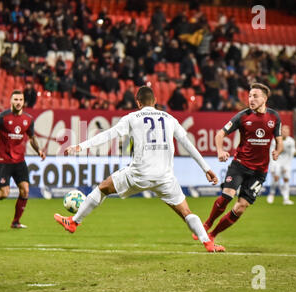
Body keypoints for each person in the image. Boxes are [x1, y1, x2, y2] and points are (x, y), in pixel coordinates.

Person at [55, 86, 225, 253]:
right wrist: (206, 168)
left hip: (138, 174)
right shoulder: (169, 118)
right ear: (155, 101)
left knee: (103, 188)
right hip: (165, 178)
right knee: (186, 212)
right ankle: (207, 243)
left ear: (138, 102)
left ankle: (74, 222)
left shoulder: (132, 118)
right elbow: (187, 144)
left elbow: (108, 135)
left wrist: (80, 146)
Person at [194, 83, 283, 245]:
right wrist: (220, 151)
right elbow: (220, 134)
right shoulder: (242, 116)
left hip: (259, 171)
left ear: (265, 98)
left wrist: (278, 151)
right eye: (249, 96)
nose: (251, 99)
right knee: (227, 195)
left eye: (255, 96)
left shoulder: (274, 117)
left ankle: (213, 234)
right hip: (240, 165)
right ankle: (207, 223)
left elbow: (279, 141)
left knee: (241, 207)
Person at [0, 90, 46, 228]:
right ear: (11, 101)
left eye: (20, 100)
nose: (18, 102)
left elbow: (32, 137)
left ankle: (15, 222)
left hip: (19, 161)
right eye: (15, 99)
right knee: (4, 194)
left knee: (25, 190)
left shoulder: (28, 119)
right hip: (4, 160)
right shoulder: (2, 117)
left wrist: (39, 150)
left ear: (24, 102)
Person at [267, 125, 296, 205]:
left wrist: (288, 165)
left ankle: (286, 199)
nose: (285, 132)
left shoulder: (291, 141)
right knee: (276, 177)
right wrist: (272, 165)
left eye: (287, 131)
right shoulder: (275, 140)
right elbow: (271, 153)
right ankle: (271, 194)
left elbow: (291, 155)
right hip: (277, 162)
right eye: (284, 131)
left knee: (286, 179)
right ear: (281, 131)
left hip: (286, 163)